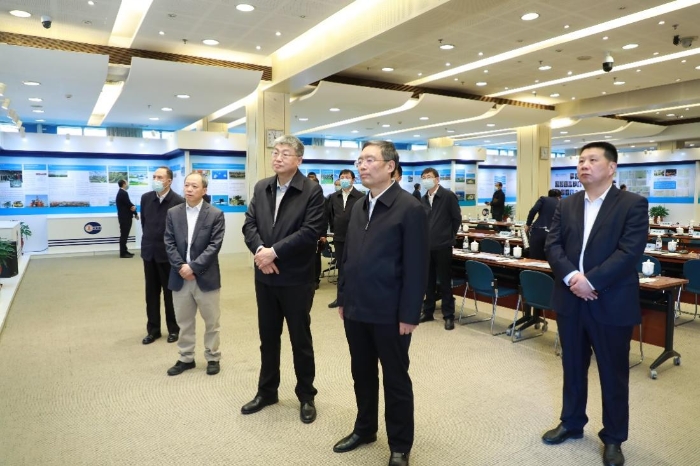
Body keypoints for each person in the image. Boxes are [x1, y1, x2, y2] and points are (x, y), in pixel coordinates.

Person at [543, 141, 648, 466]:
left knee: (613, 374)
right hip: (571, 300)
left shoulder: (632, 204)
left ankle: (614, 437)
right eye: (580, 160)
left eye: (592, 160)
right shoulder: (567, 204)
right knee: (572, 367)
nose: (583, 165)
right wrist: (573, 277)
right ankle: (572, 422)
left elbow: (629, 251)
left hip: (611, 301)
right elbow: (553, 245)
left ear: (611, 167)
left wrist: (591, 281)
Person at [334, 141, 428, 466]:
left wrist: (410, 314)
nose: (361, 166)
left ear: (390, 166)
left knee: (395, 378)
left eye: (369, 160)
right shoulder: (359, 205)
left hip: (390, 312)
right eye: (360, 160)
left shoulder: (410, 208)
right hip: (356, 308)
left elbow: (417, 266)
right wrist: (343, 297)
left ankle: (400, 444)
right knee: (361, 373)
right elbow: (348, 256)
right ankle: (365, 429)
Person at [241, 135, 325, 424]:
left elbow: (310, 231)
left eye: (285, 153)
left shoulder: (312, 190)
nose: (277, 157)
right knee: (268, 337)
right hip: (265, 277)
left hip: (296, 278)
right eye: (275, 152)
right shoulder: (261, 187)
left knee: (300, 339)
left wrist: (273, 253)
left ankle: (306, 396)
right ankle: (267, 391)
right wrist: (260, 253)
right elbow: (249, 224)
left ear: (298, 160)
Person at [163, 172, 225, 376]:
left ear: (204, 190)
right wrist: (181, 266)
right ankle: (186, 357)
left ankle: (213, 357)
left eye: (194, 186)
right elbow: (169, 242)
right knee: (184, 321)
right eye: (187, 185)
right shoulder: (173, 213)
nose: (189, 189)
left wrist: (193, 267)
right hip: (180, 275)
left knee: (212, 322)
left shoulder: (215, 214)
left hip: (205, 276)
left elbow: (214, 245)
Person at [140, 167, 185, 345]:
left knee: (169, 294)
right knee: (151, 293)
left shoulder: (178, 201)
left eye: (160, 177)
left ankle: (173, 329)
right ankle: (153, 330)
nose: (156, 180)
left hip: (168, 255)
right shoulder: (146, 198)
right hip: (149, 253)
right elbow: (145, 223)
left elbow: (180, 231)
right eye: (154, 177)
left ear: (169, 181)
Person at [418, 167, 461, 331]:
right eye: (424, 177)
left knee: (444, 282)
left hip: (443, 246)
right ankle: (428, 311)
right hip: (426, 247)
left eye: (429, 176)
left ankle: (448, 315)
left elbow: (456, 219)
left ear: (437, 179)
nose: (426, 179)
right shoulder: (423, 199)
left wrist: (448, 236)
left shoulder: (448, 196)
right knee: (428, 282)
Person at [326, 169, 364, 308]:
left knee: (355, 267)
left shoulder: (361, 197)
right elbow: (330, 215)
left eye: (347, 177)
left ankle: (356, 297)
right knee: (341, 269)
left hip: (356, 238)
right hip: (339, 237)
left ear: (353, 180)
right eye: (342, 177)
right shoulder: (333, 197)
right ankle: (340, 298)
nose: (344, 180)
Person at [524, 189, 561, 260]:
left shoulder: (543, 199)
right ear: (559, 197)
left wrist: (528, 224)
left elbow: (533, 210)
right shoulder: (561, 203)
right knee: (549, 259)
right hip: (552, 234)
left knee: (534, 259)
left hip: (537, 231)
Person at [116, 179, 138, 258]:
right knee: (124, 235)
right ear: (124, 184)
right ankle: (123, 253)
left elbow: (128, 205)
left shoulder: (121, 192)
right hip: (125, 218)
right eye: (127, 182)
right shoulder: (123, 193)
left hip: (124, 217)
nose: (128, 184)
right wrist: (135, 212)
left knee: (124, 235)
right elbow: (129, 205)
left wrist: (134, 210)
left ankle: (125, 251)